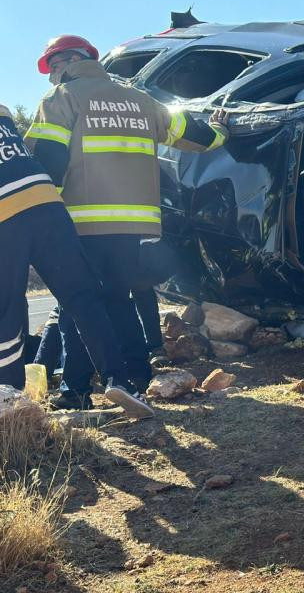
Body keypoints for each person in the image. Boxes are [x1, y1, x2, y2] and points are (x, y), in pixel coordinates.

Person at [25, 35, 230, 409]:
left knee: (78, 303)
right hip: (133, 224)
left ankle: (75, 392)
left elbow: (49, 163)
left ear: (72, 60)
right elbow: (194, 134)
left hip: (80, 221)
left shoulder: (62, 99)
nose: (51, 76)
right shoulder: (141, 101)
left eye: (53, 66)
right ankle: (136, 376)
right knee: (118, 297)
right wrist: (220, 130)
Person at [0, 103, 152, 418]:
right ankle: (119, 380)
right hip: (47, 203)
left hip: (4, 214)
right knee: (83, 298)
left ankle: (10, 399)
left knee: (7, 308)